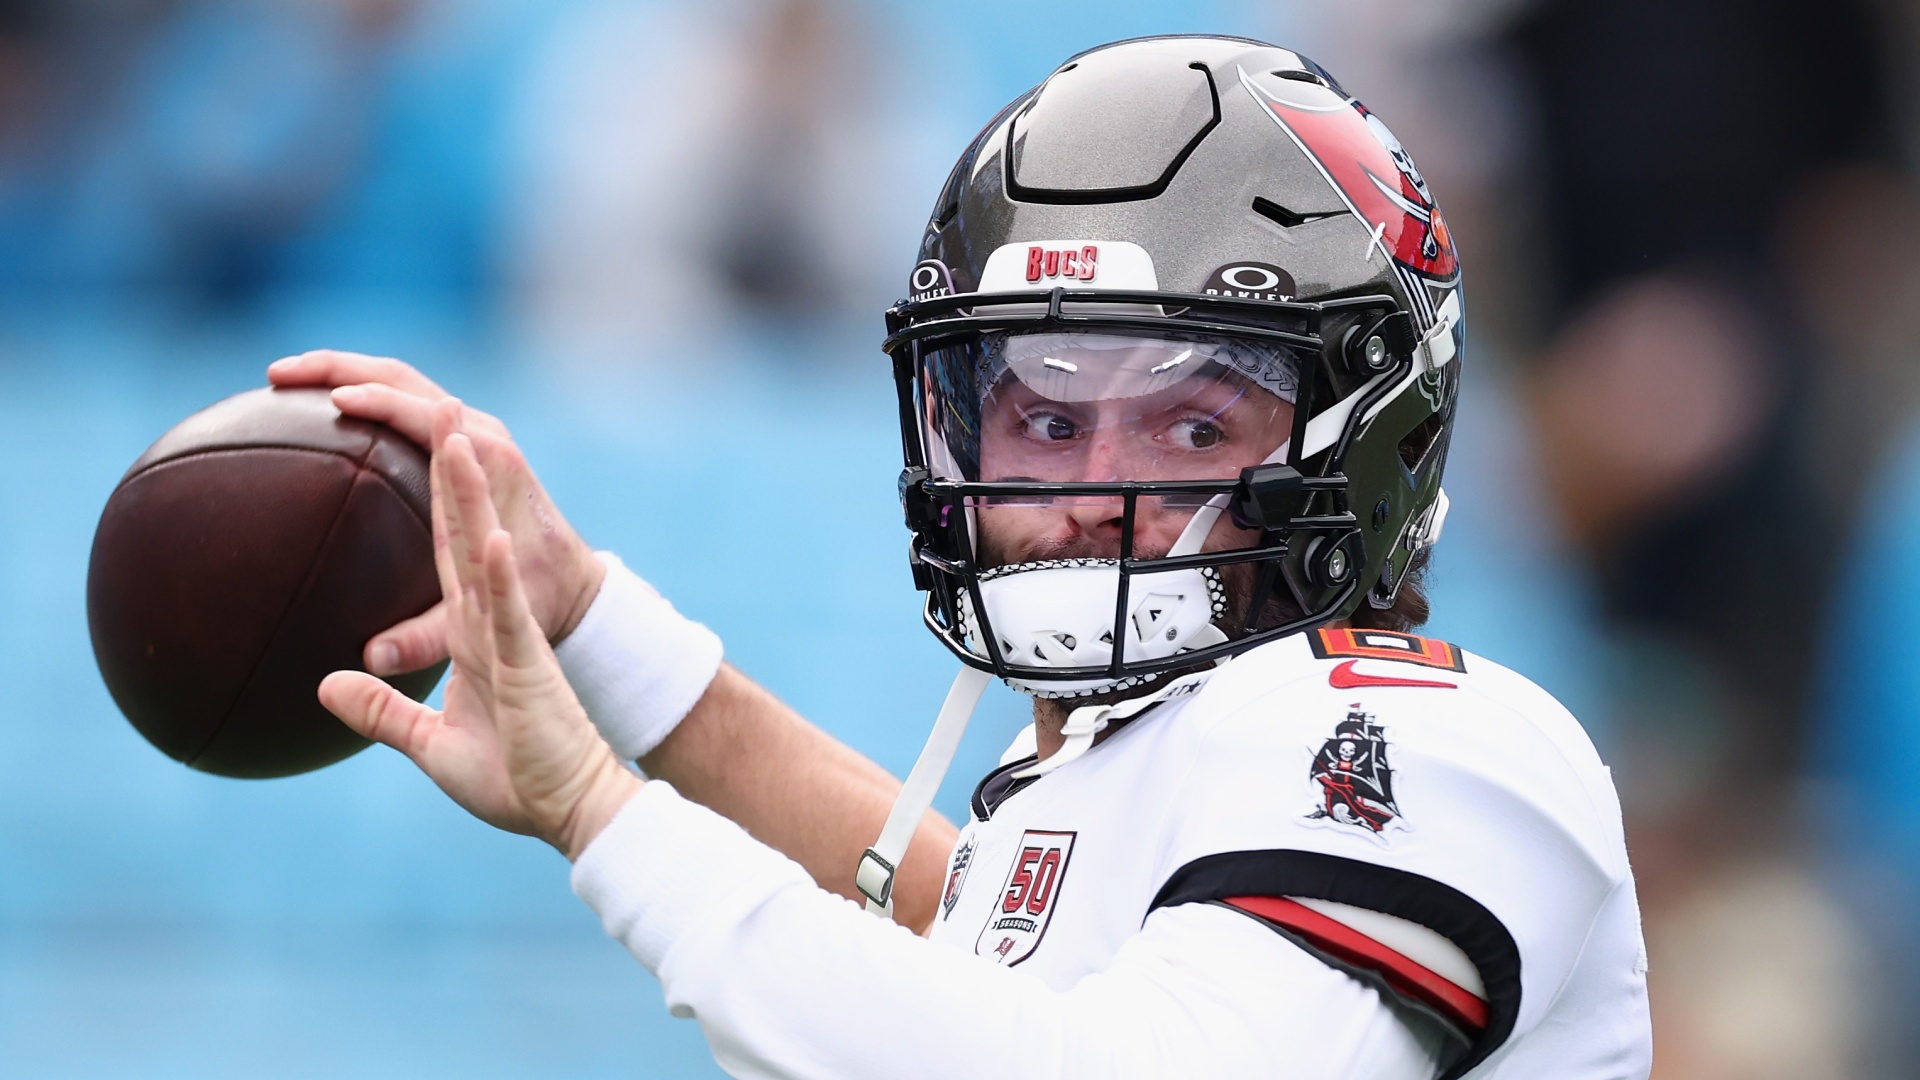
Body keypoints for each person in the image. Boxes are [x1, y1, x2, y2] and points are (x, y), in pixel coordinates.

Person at [270, 36, 1651, 1079]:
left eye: (1188, 419)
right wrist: (588, 622)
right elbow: (968, 936)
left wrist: (599, 812)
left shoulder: (1443, 744)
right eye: (1043, 416)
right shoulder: (1132, 762)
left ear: (1368, 435)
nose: (1087, 491)